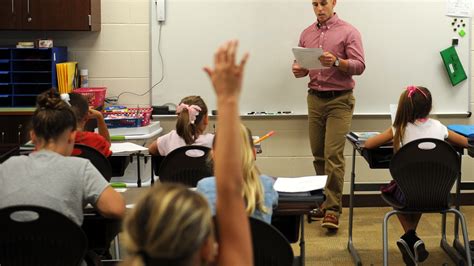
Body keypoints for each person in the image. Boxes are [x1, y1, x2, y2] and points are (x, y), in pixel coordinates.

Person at [121, 40, 252, 266]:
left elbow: (149, 150)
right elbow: (230, 185)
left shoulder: (166, 140)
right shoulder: (212, 142)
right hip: (203, 203)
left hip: (172, 202)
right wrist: (229, 99)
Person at [364, 85, 468, 264]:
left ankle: (410, 237)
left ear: (404, 108)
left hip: (409, 193)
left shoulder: (400, 128)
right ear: (429, 107)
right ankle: (412, 240)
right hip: (438, 194)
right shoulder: (439, 127)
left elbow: (369, 145)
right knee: (419, 186)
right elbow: (465, 142)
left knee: (395, 189)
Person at [0, 89, 125, 226]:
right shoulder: (80, 168)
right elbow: (117, 209)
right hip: (62, 246)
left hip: (11, 246)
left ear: (33, 137)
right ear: (71, 136)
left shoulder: (7, 166)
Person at [292, 0, 365, 230]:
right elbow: (300, 67)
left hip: (339, 100)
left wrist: (336, 61)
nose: (319, 8)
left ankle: (332, 210)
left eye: (323, 3)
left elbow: (359, 65)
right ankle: (325, 201)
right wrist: (299, 70)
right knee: (319, 154)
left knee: (333, 154)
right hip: (314, 98)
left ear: (333, 3)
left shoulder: (348, 31)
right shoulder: (306, 34)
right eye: (314, 4)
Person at [196, 123, 278, 224]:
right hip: (258, 240)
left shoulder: (204, 186)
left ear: (213, 155)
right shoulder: (266, 184)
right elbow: (274, 201)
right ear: (253, 153)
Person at [148, 95, 214, 156]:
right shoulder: (214, 141)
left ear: (179, 117)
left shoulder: (168, 139)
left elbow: (150, 150)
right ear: (206, 119)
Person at [67, 92, 112, 157]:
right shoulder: (95, 140)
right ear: (86, 118)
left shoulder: (53, 139)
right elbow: (107, 145)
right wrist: (100, 117)